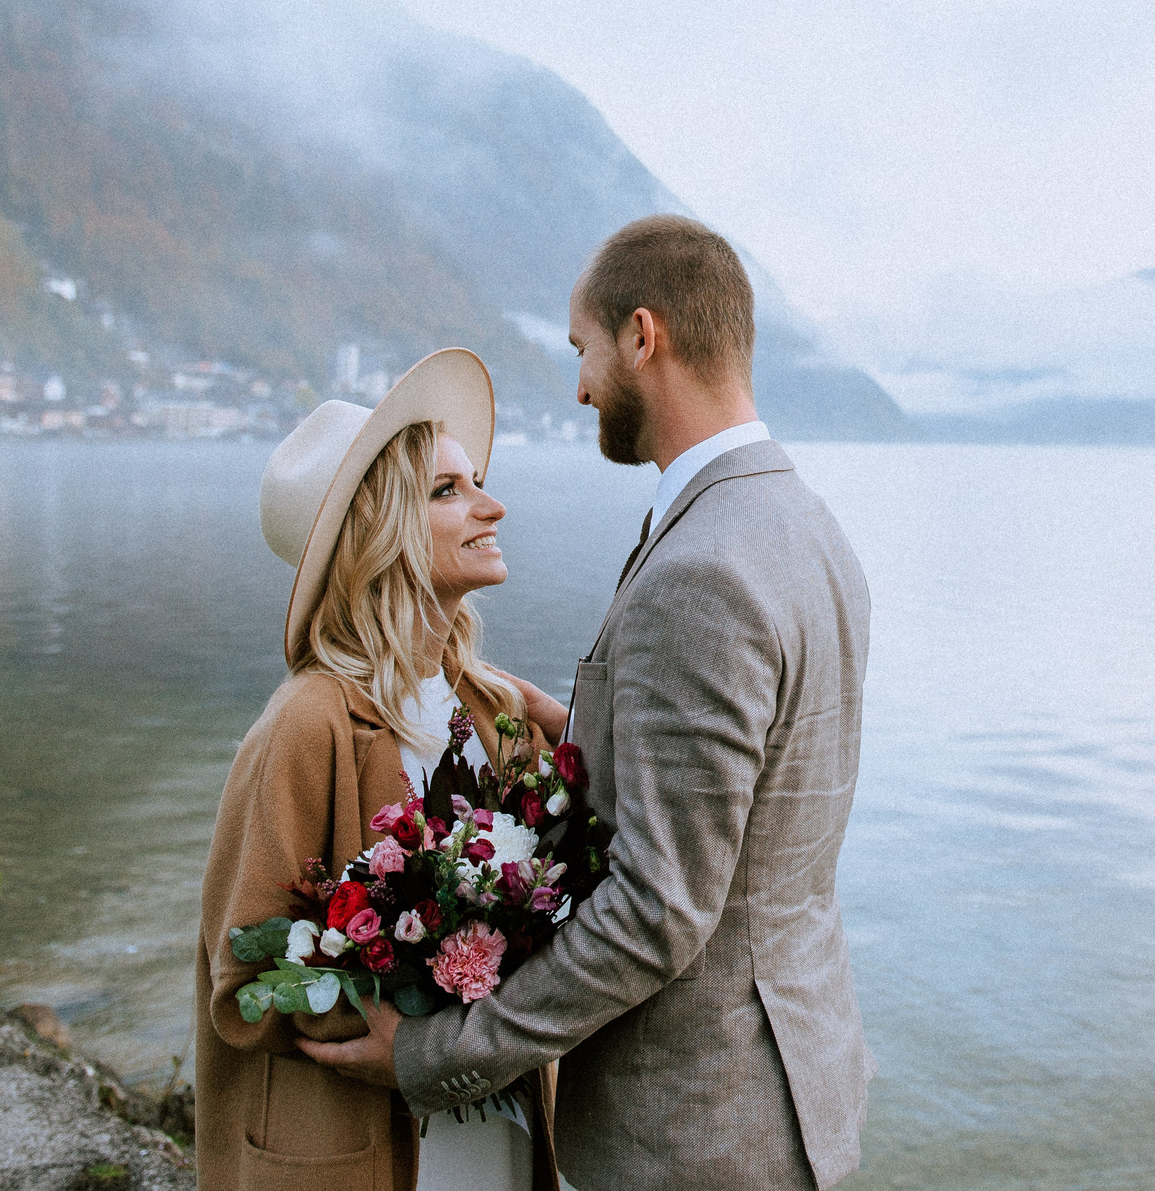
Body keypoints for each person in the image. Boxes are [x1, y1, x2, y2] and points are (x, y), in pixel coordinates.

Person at [302, 216, 877, 1190]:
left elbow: (657, 909)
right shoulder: (808, 529)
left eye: (582, 349)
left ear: (642, 336)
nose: (576, 386)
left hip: (699, 1127)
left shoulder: (699, 571)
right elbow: (754, 783)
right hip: (800, 1078)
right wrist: (588, 730)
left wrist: (433, 1058)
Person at [194, 347, 572, 1191]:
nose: (492, 504)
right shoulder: (306, 722)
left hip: (499, 1129)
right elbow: (244, 982)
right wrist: (422, 989)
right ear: (382, 532)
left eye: (476, 479)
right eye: (449, 491)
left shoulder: (496, 706)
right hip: (363, 1149)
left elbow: (568, 885)